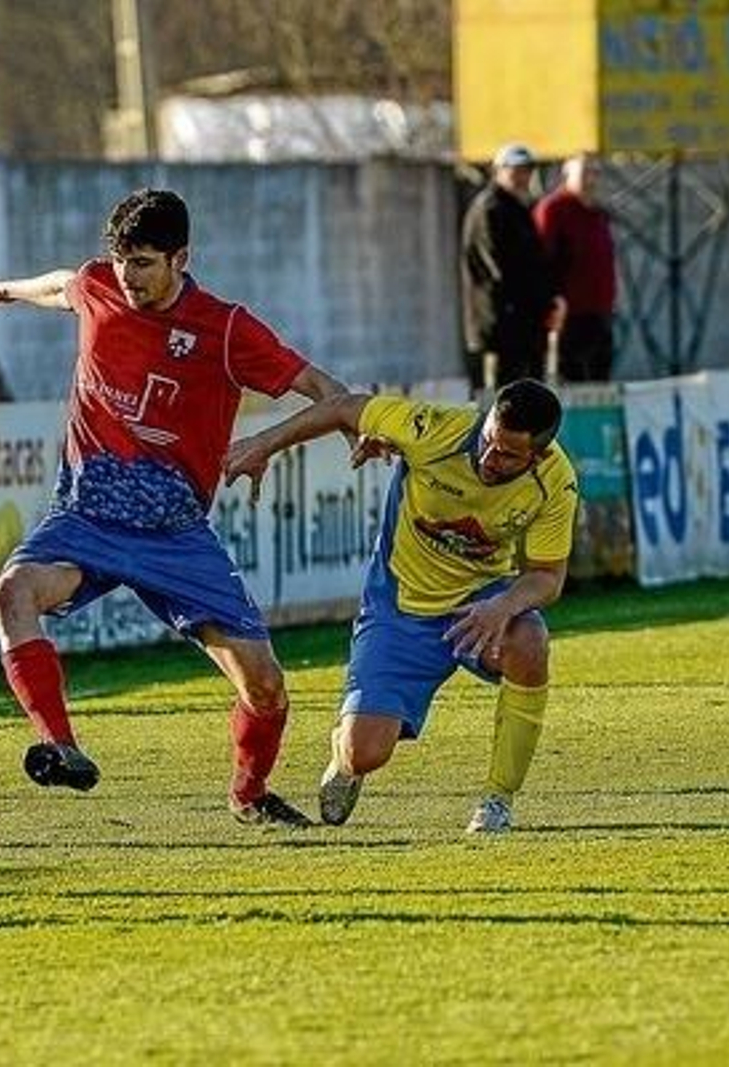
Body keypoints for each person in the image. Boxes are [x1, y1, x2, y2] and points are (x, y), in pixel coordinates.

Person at [0, 188, 351, 827]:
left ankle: (250, 797)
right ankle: (61, 745)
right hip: (85, 517)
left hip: (175, 536)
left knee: (266, 686)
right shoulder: (98, 286)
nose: (127, 278)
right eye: (120, 262)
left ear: (180, 258)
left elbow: (323, 389)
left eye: (143, 263)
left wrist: (348, 425)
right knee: (12, 593)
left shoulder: (225, 329)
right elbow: (63, 284)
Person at [224, 379, 578, 833]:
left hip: (479, 605)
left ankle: (497, 801)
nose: (490, 459)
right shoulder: (433, 429)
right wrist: (264, 443)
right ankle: (345, 763)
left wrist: (504, 606)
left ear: (539, 454)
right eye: (488, 441)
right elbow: (343, 407)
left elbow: (548, 577)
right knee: (364, 753)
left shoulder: (555, 482)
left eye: (508, 455)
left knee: (530, 641)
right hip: (400, 609)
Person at [461, 144, 565, 390]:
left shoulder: (519, 208)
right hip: (500, 330)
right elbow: (503, 271)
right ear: (498, 171)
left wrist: (549, 302)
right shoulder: (490, 209)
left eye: (527, 170)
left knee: (530, 401)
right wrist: (541, 301)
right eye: (515, 170)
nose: (523, 176)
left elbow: (535, 263)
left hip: (525, 327)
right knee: (501, 402)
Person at [534, 153, 616, 382]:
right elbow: (542, 261)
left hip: (600, 313)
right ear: (567, 174)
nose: (591, 180)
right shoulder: (553, 209)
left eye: (595, 173)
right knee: (572, 382)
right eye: (584, 173)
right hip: (569, 316)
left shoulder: (597, 214)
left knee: (601, 383)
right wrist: (551, 302)